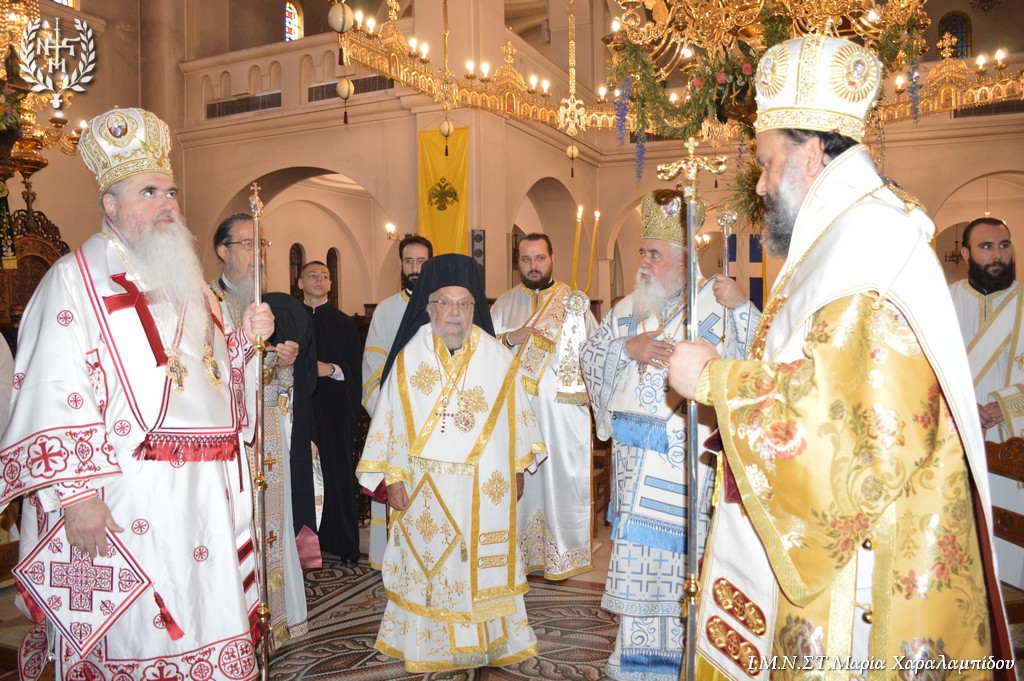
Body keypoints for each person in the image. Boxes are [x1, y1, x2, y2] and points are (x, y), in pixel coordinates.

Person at [668, 36, 1013, 678]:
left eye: (768, 163)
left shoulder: (869, 244)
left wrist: (715, 380)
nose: (761, 183)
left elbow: (863, 429)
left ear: (814, 153)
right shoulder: (845, 238)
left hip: (871, 568)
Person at [0, 107, 274, 680]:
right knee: (135, 635)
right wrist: (76, 496)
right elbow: (54, 388)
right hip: (126, 501)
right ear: (110, 206)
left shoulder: (189, 282)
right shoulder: (74, 279)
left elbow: (212, 379)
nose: (168, 204)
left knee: (206, 620)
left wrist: (246, 344)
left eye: (170, 191)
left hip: (204, 498)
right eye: (149, 192)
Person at [579, 190, 752, 681]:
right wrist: (624, 347)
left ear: (685, 260)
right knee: (640, 572)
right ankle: (634, 666)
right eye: (642, 252)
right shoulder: (627, 310)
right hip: (633, 470)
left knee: (686, 573)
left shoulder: (714, 306)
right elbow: (588, 359)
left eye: (656, 254)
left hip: (689, 470)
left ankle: (689, 664)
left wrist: (742, 310)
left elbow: (753, 365)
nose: (645, 263)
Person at [356, 254, 545, 673]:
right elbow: (392, 423)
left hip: (484, 488)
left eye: (464, 304)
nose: (455, 313)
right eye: (445, 303)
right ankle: (429, 646)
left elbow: (518, 420)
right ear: (429, 306)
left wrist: (516, 469)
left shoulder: (498, 358)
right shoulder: (408, 359)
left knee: (482, 568)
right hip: (426, 492)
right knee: (431, 569)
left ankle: (493, 641)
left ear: (475, 307)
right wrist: (394, 477)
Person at [211, 213, 314, 646]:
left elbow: (271, 388)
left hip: (267, 439)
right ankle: (234, 629)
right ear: (223, 251)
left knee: (270, 526)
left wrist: (281, 364)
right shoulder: (207, 305)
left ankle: (274, 624)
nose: (259, 255)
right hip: (224, 445)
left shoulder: (267, 306)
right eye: (249, 244)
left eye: (263, 246)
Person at [491, 233, 597, 579]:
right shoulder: (503, 304)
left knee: (561, 480)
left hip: (562, 417)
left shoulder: (574, 303)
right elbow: (478, 353)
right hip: (515, 414)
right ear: (517, 263)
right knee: (520, 483)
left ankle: (564, 553)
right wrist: (509, 337)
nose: (533, 266)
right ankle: (517, 555)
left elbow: (595, 358)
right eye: (526, 259)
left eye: (539, 258)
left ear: (553, 258)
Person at [949, 216, 1024, 589]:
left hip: (1015, 447)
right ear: (965, 253)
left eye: (1004, 245)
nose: (998, 255)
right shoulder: (944, 302)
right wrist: (960, 403)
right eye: (986, 246)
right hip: (956, 444)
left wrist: (1004, 404)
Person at [361, 234, 432, 569]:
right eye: (409, 261)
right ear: (400, 265)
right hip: (398, 424)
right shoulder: (386, 310)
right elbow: (373, 371)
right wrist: (388, 417)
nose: (415, 268)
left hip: (438, 425)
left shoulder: (443, 305)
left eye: (422, 261)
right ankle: (394, 565)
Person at [299, 260, 363, 564]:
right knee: (301, 474)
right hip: (298, 407)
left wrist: (332, 369)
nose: (319, 279)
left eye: (324, 276)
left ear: (330, 284)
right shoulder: (288, 319)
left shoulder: (343, 323)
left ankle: (343, 541)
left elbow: (356, 367)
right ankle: (302, 544)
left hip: (333, 407)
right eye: (312, 275)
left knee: (336, 473)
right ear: (300, 283)